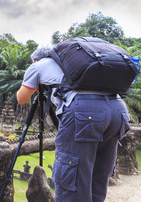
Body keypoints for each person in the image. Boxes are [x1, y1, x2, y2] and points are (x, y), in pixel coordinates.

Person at [16, 47, 130, 202]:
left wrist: (36, 82)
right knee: (99, 176)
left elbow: (22, 99)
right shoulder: (75, 64)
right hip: (118, 111)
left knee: (72, 181)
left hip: (86, 113)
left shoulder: (38, 65)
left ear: (37, 59)